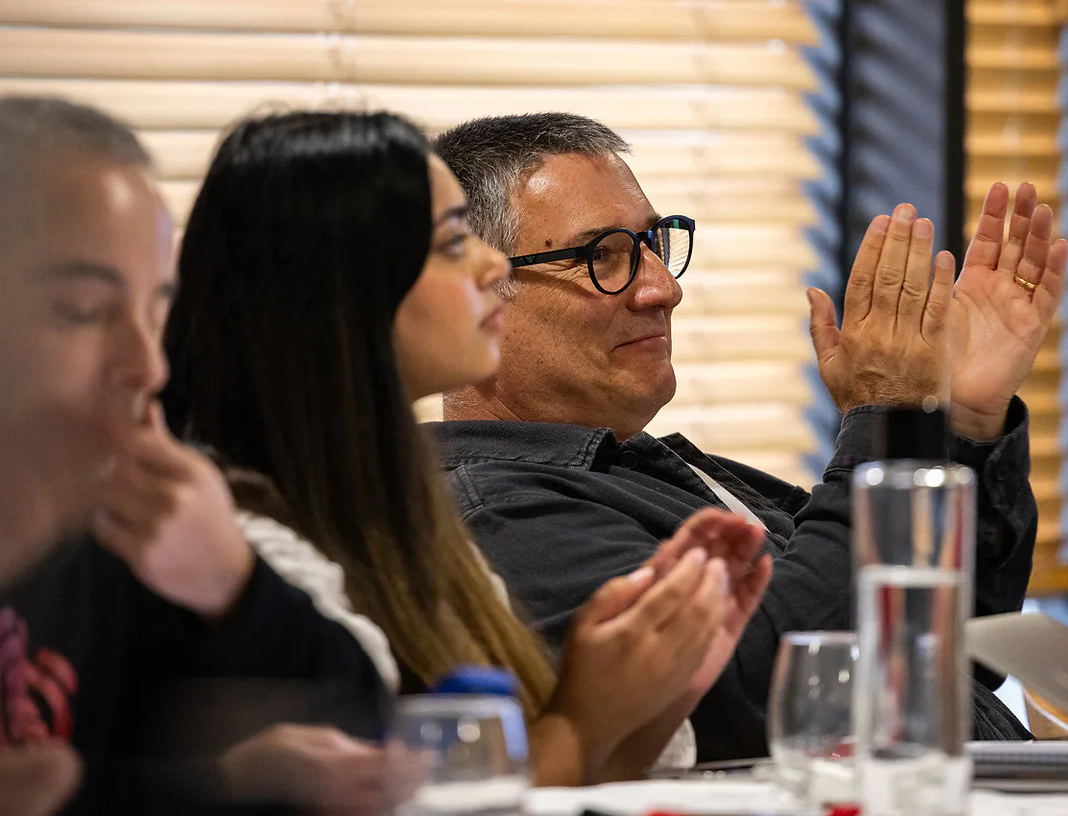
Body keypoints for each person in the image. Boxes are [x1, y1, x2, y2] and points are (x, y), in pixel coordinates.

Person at [161, 110, 772, 788]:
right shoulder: (247, 543)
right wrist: (582, 721)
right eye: (454, 243)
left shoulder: (402, 515)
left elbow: (569, 769)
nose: (491, 266)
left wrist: (646, 689)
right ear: (347, 288)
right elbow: (422, 800)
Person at [430, 113, 1067, 756]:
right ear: (479, 292)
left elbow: (952, 652)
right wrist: (887, 421)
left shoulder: (654, 471)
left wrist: (965, 423)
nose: (663, 288)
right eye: (603, 256)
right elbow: (773, 701)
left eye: (653, 244)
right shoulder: (496, 509)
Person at [0, 97, 392, 814]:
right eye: (84, 311)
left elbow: (358, 726)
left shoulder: (105, 526)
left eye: (157, 313)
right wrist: (215, 787)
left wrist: (232, 587)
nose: (147, 366)